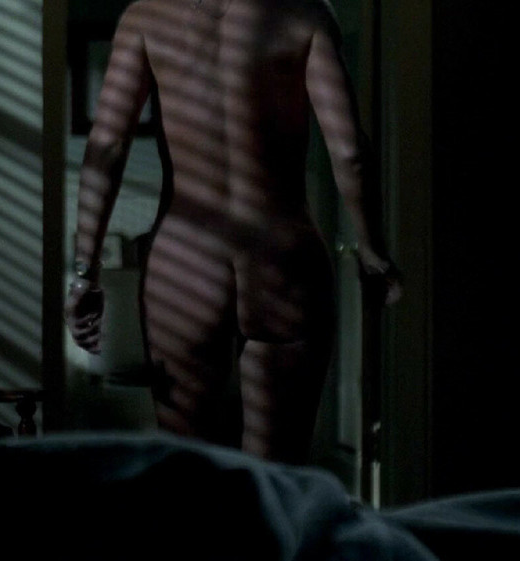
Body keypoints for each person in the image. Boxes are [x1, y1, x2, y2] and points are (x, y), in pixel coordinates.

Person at [65, 0, 401, 464]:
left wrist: (86, 273)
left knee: (191, 468)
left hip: (187, 261)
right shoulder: (304, 13)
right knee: (275, 475)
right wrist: (372, 250)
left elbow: (107, 145)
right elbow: (349, 153)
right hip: (280, 259)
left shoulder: (147, 16)